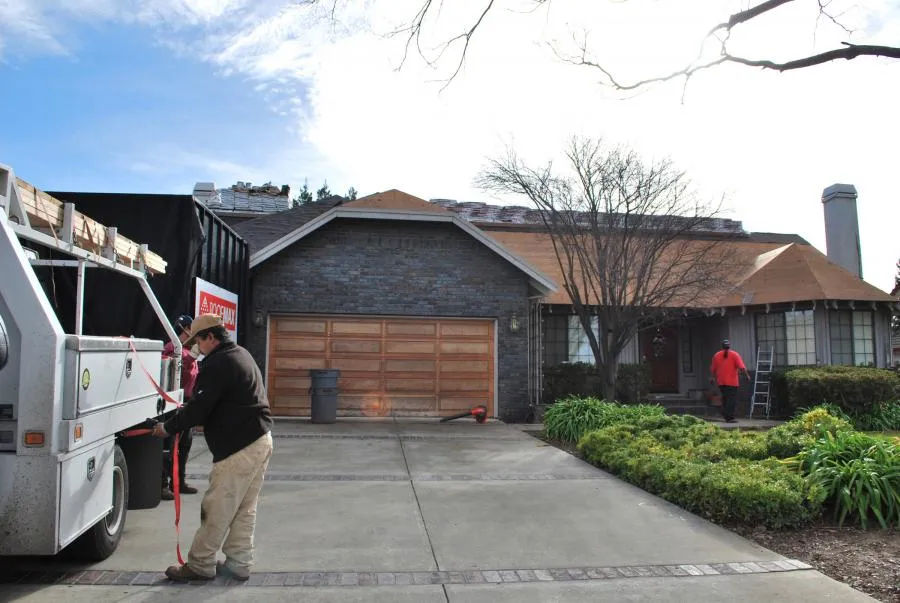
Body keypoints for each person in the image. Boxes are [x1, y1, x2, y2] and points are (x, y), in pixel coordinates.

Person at [151, 314, 274, 582]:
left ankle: (200, 564)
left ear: (210, 337)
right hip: (260, 439)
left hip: (238, 447)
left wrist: (167, 427)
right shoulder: (241, 353)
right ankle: (240, 563)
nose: (196, 346)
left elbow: (199, 408)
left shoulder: (219, 363)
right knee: (244, 508)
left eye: (198, 340)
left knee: (217, 508)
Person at [161, 314, 200, 500]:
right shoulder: (172, 349)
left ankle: (179, 481)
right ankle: (162, 485)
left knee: (184, 446)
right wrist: (190, 359)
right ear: (184, 329)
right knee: (171, 446)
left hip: (188, 404)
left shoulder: (186, 350)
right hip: (174, 404)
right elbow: (176, 376)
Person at [709, 339, 750, 423]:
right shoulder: (734, 354)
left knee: (725, 398)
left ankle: (726, 415)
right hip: (732, 382)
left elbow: (713, 369)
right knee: (731, 399)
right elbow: (742, 367)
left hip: (721, 381)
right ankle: (729, 417)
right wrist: (747, 376)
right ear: (729, 346)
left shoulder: (717, 355)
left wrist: (712, 378)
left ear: (722, 346)